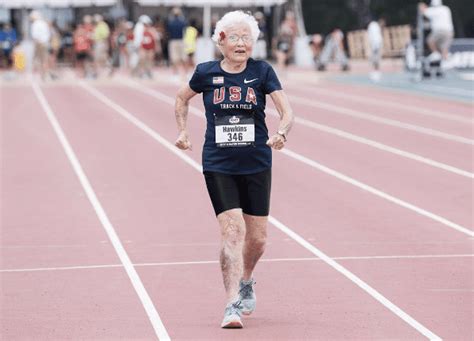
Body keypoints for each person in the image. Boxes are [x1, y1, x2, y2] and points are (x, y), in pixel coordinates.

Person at [174, 10, 294, 329]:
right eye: (235, 38)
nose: (242, 44)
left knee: (258, 240)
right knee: (232, 230)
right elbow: (181, 98)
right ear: (221, 40)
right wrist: (183, 131)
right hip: (218, 163)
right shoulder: (206, 73)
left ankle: (246, 279)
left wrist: (281, 132)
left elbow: (287, 111)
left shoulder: (262, 72)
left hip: (256, 163)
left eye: (247, 38)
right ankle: (232, 305)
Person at [167, 7, 188, 80]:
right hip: (181, 40)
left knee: (174, 58)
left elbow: (168, 32)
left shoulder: (171, 22)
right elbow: (185, 30)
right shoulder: (183, 22)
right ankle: (185, 73)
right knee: (183, 58)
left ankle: (175, 73)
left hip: (173, 41)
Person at [30, 11, 51, 80]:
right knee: (44, 60)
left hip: (39, 43)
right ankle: (44, 75)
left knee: (37, 60)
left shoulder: (35, 24)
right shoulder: (44, 23)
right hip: (45, 43)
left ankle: (36, 75)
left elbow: (35, 36)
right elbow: (48, 34)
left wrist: (36, 45)